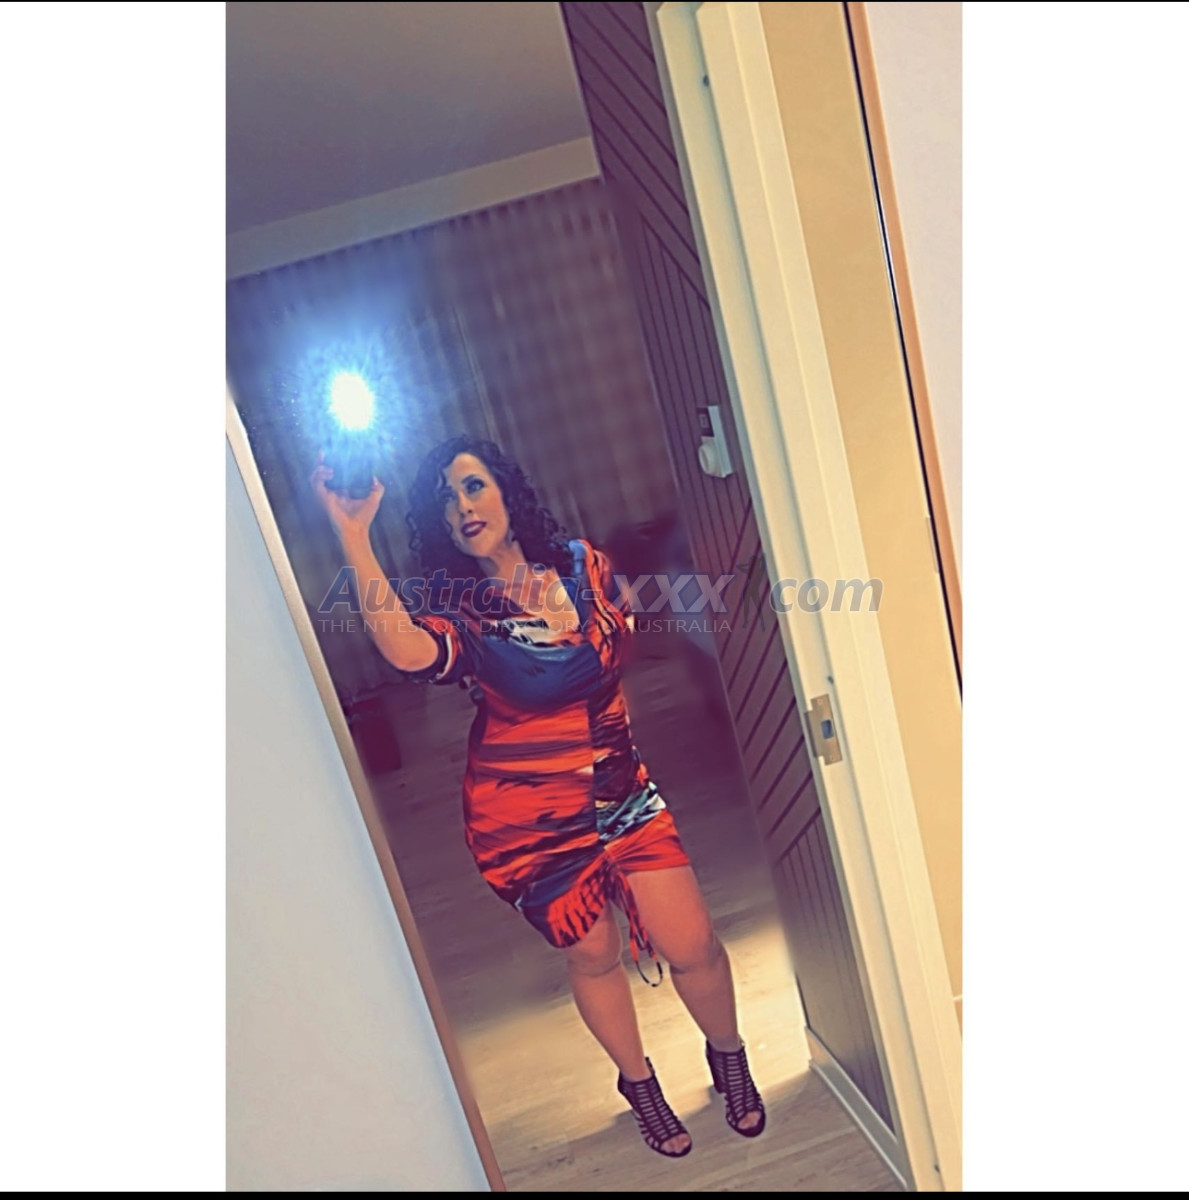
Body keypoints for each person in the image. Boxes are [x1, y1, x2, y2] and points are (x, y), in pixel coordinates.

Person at [311, 434, 764, 1158]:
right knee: (595, 953)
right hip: (531, 819)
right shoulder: (466, 611)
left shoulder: (584, 566)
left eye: (473, 486)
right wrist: (353, 535)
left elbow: (617, 643)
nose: (462, 507)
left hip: (623, 792)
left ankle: (729, 1057)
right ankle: (638, 1083)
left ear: (506, 491)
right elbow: (407, 651)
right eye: (445, 499)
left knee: (694, 944)